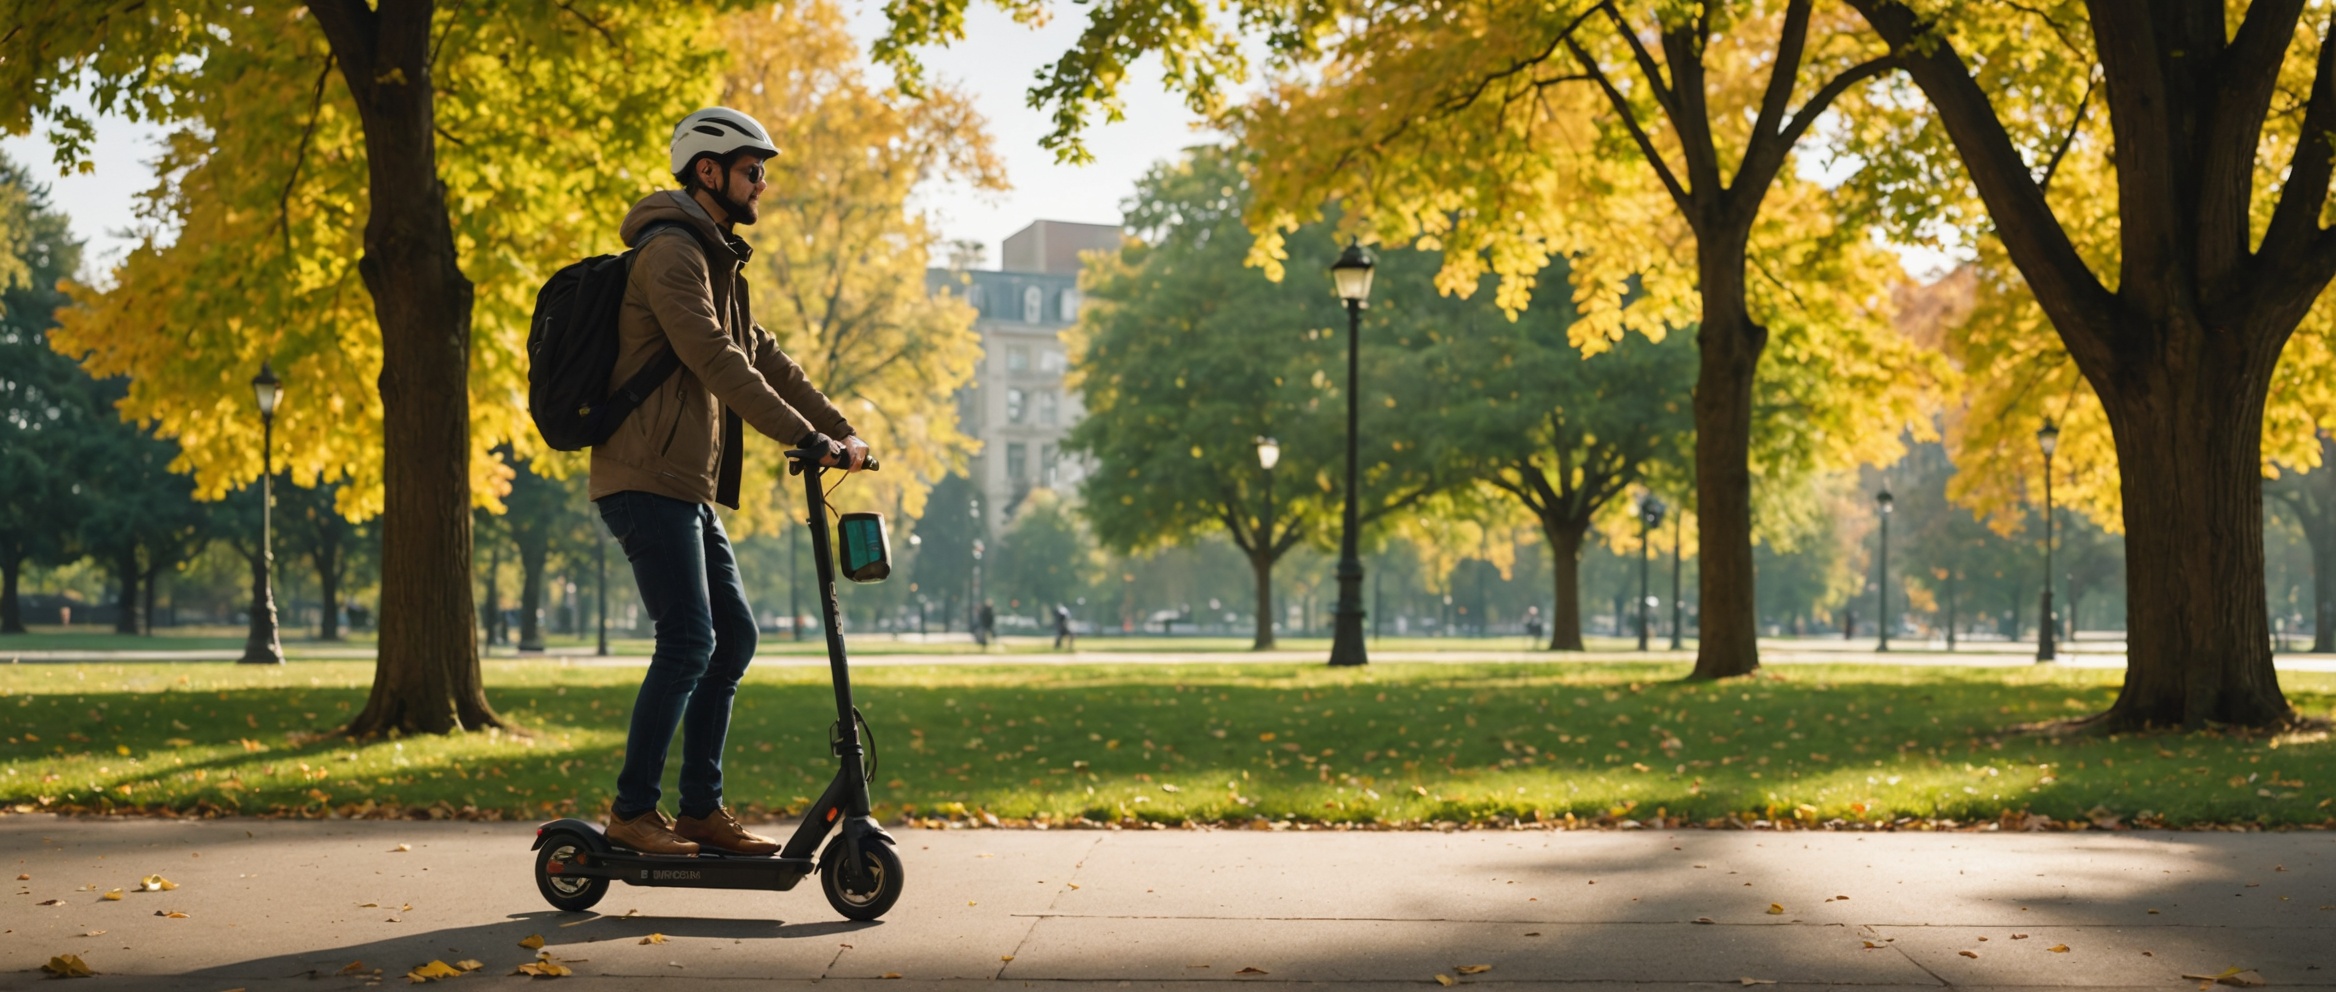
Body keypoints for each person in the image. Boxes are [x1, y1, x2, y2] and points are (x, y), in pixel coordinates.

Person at [591, 107, 870, 857]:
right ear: (708, 171)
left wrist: (840, 430)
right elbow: (717, 359)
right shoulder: (670, 256)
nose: (764, 183)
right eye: (754, 170)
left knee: (731, 637)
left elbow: (768, 359)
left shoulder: (717, 259)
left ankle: (699, 812)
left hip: (682, 484)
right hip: (643, 478)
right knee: (687, 641)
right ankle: (631, 812)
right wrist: (802, 436)